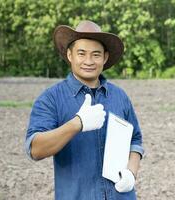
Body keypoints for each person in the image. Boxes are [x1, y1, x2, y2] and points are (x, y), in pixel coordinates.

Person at [25, 20, 144, 200]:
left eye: (96, 55)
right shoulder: (51, 99)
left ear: (104, 58)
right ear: (70, 55)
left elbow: (135, 140)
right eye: (82, 53)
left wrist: (131, 173)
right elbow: (35, 149)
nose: (88, 61)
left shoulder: (120, 97)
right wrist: (77, 123)